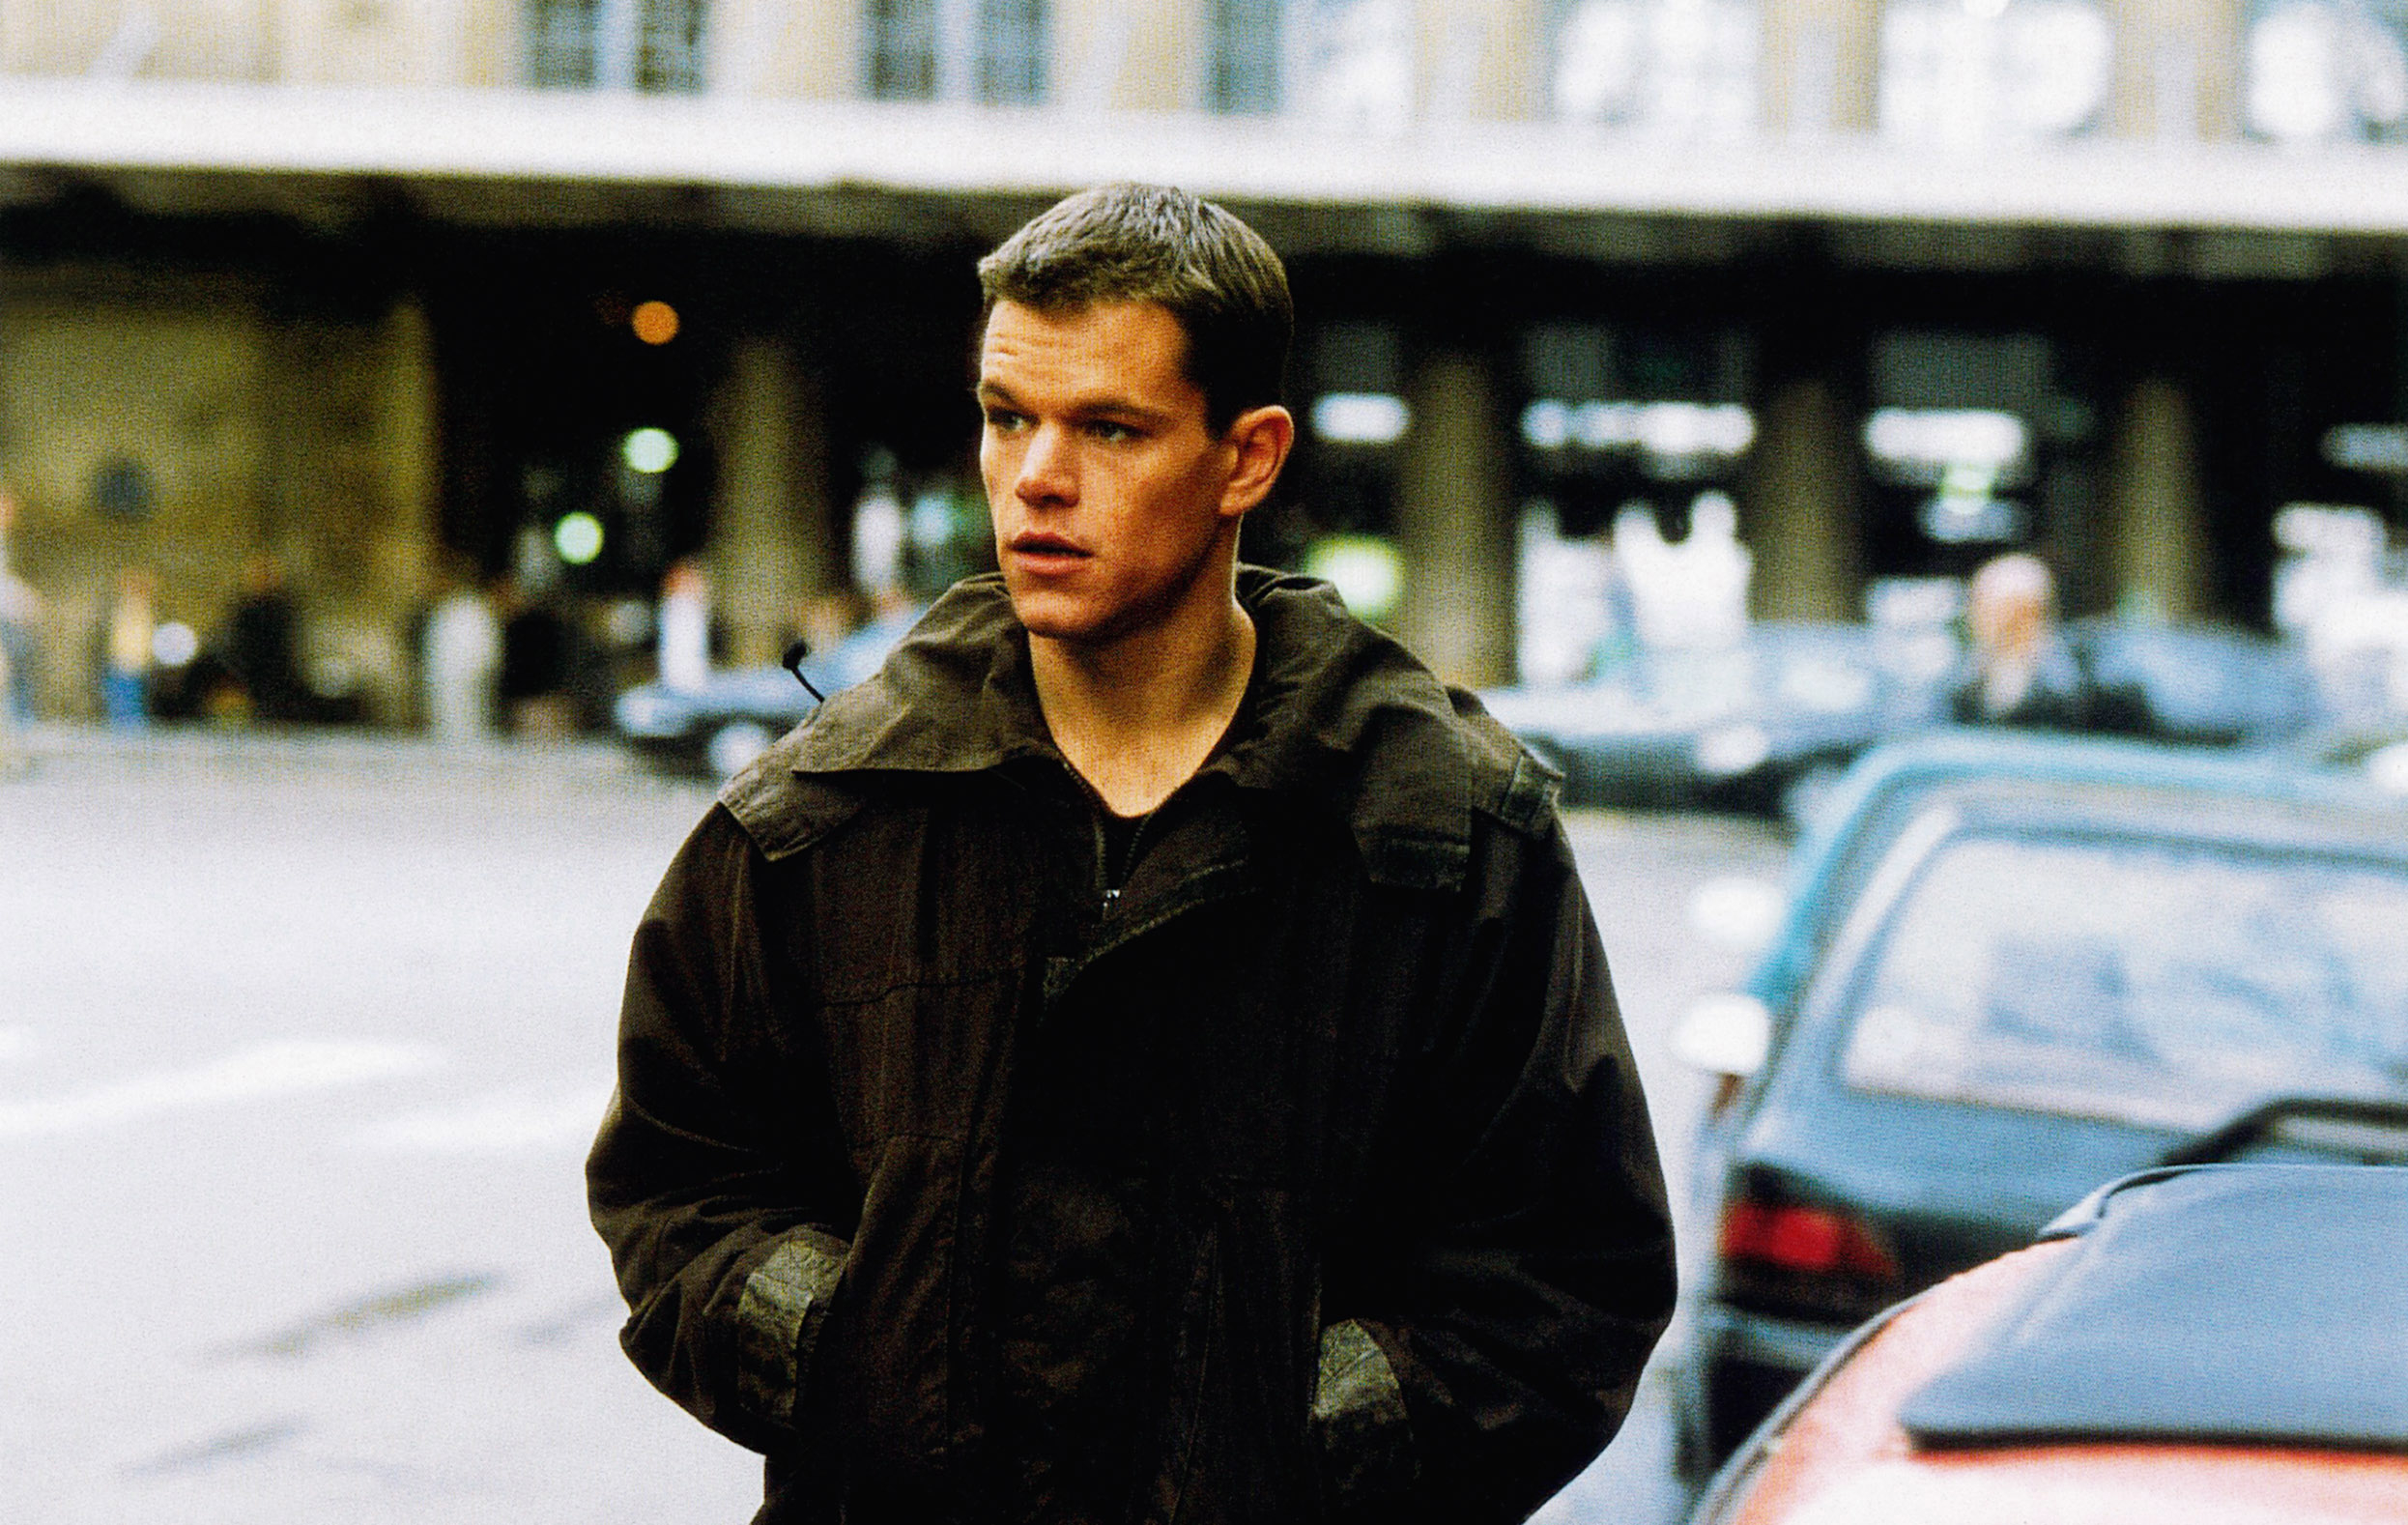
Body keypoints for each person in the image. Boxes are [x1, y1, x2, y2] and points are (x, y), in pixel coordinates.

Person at [588, 183, 1676, 1525]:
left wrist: (1303, 1445)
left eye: (1109, 428)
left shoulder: (1445, 835)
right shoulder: (823, 813)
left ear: (1247, 458)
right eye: (1007, 417)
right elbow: (677, 1183)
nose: (1037, 477)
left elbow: (1568, 1277)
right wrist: (851, 1354)